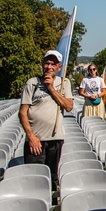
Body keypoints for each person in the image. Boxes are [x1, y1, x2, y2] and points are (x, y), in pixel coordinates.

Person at [18, 50, 74, 185]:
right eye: (47, 63)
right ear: (43, 64)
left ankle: (52, 204)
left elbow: (68, 106)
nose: (49, 67)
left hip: (55, 138)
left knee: (53, 178)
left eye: (53, 64)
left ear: (59, 67)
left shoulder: (64, 82)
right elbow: (22, 112)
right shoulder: (32, 83)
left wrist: (51, 88)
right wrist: (31, 137)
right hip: (36, 140)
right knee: (35, 179)